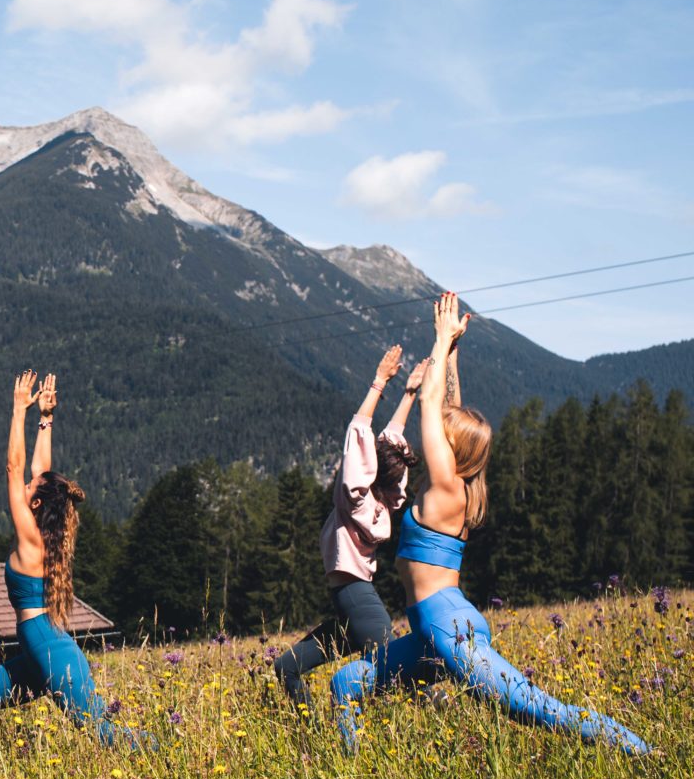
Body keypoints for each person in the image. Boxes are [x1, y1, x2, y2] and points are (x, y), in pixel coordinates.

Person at [330, 294, 649, 754]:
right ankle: (350, 772)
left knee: (534, 708)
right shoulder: (459, 485)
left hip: (449, 630)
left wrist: (440, 338)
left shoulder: (446, 490)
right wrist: (454, 354)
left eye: (445, 433)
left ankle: (640, 750)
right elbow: (446, 406)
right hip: (430, 631)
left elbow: (432, 404)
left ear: (451, 450)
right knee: (347, 684)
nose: (437, 430)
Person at [0, 371, 146, 750]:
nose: (26, 485)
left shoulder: (32, 541)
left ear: (37, 504)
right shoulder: (48, 537)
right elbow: (39, 472)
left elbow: (14, 469)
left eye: (31, 489)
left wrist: (17, 410)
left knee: (103, 734)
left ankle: (162, 748)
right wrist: (45, 418)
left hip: (53, 654)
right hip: (36, 655)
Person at [273, 346, 427, 715]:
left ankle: (435, 708)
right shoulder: (383, 502)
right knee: (285, 668)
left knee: (396, 680)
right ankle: (313, 735)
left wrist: (379, 382)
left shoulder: (354, 499)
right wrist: (408, 394)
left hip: (357, 600)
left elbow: (359, 431)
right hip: (350, 605)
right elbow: (391, 439)